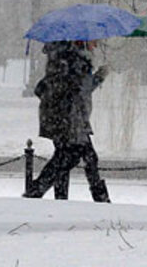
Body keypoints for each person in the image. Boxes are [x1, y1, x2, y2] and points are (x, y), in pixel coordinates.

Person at [24, 40, 110, 202]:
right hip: (70, 118)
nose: (96, 44)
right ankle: (37, 190)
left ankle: (57, 197)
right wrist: (99, 76)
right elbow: (82, 88)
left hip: (60, 117)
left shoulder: (63, 57)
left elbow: (63, 86)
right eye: (93, 41)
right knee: (79, 156)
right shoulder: (77, 60)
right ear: (82, 41)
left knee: (66, 155)